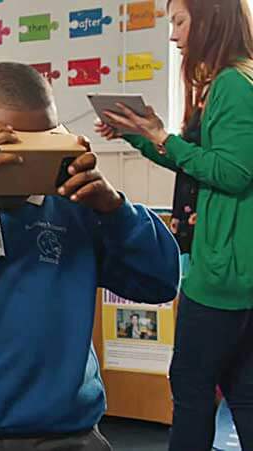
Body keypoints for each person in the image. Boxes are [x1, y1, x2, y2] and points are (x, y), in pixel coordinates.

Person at [0, 62, 181, 450]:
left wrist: (114, 209)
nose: (25, 161)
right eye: (6, 147)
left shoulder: (76, 208)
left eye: (43, 142)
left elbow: (159, 281)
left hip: (67, 435)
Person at [95, 0, 253, 447]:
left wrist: (161, 137)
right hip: (236, 270)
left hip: (224, 273)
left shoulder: (232, 84)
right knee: (242, 388)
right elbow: (199, 163)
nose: (174, 35)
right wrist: (141, 135)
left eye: (180, 22)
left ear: (210, 19)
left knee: (190, 384)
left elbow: (234, 171)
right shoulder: (234, 81)